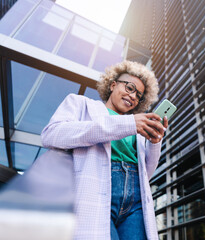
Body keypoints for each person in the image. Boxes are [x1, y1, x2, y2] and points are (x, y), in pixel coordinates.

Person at [41, 60, 167, 240]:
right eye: (130, 88)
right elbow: (51, 135)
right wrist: (129, 123)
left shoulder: (137, 128)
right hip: (97, 190)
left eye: (138, 95)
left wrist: (155, 142)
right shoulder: (81, 104)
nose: (133, 96)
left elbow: (145, 174)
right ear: (113, 85)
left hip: (136, 201)